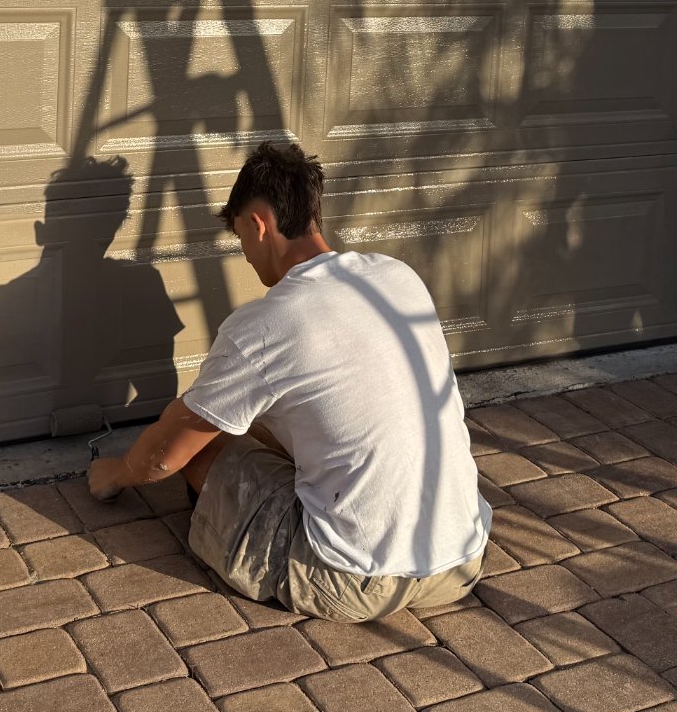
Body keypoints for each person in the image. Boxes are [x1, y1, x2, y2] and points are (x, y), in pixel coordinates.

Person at [85, 140, 491, 621]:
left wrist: (114, 475)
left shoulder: (267, 324)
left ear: (259, 224)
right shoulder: (396, 277)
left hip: (350, 581)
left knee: (205, 445)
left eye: (240, 237)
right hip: (462, 559)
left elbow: (165, 456)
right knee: (259, 417)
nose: (246, 255)